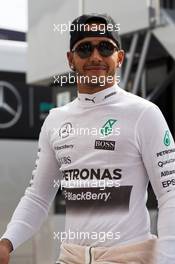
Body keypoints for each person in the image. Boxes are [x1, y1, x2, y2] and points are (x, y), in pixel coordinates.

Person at [0, 13, 175, 264]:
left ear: (120, 57)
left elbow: (171, 194)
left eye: (105, 47)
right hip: (70, 256)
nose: (95, 57)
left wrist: (167, 258)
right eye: (84, 48)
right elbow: (38, 196)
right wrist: (7, 242)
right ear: (71, 59)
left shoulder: (144, 114)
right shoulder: (55, 120)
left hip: (128, 257)